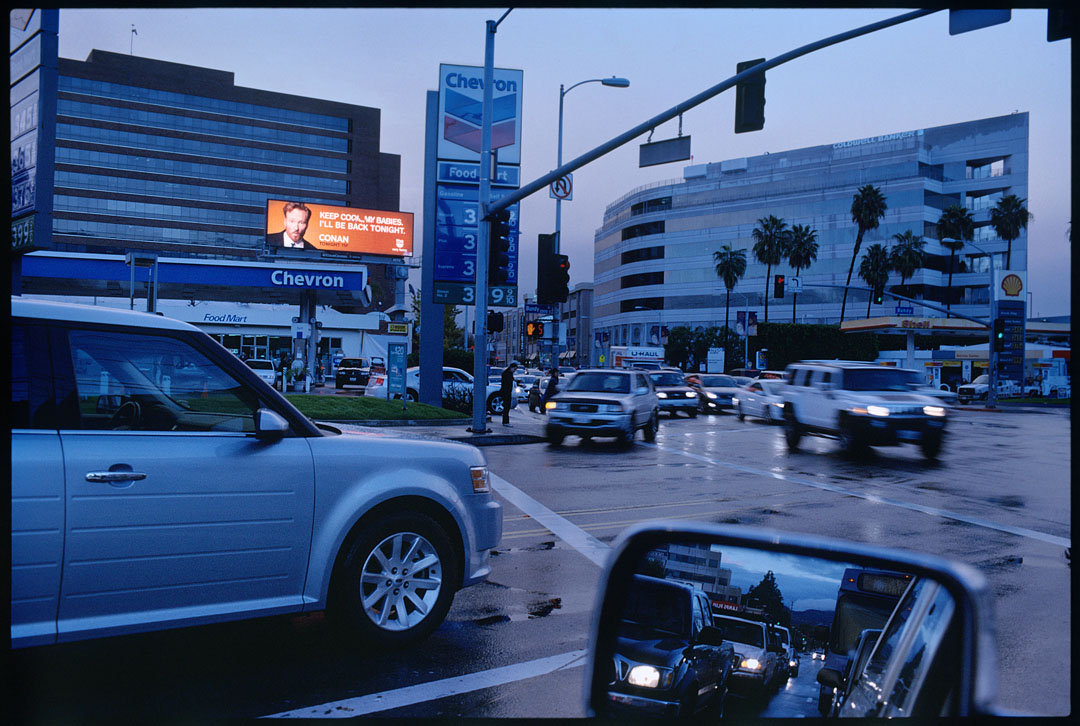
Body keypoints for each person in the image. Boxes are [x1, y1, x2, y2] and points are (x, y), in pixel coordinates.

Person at [499, 362, 518, 426]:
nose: (514, 371)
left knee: (507, 407)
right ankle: (505, 422)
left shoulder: (508, 373)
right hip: (506, 392)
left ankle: (505, 421)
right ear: (511, 367)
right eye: (514, 369)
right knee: (506, 407)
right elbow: (509, 381)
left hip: (507, 391)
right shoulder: (507, 374)